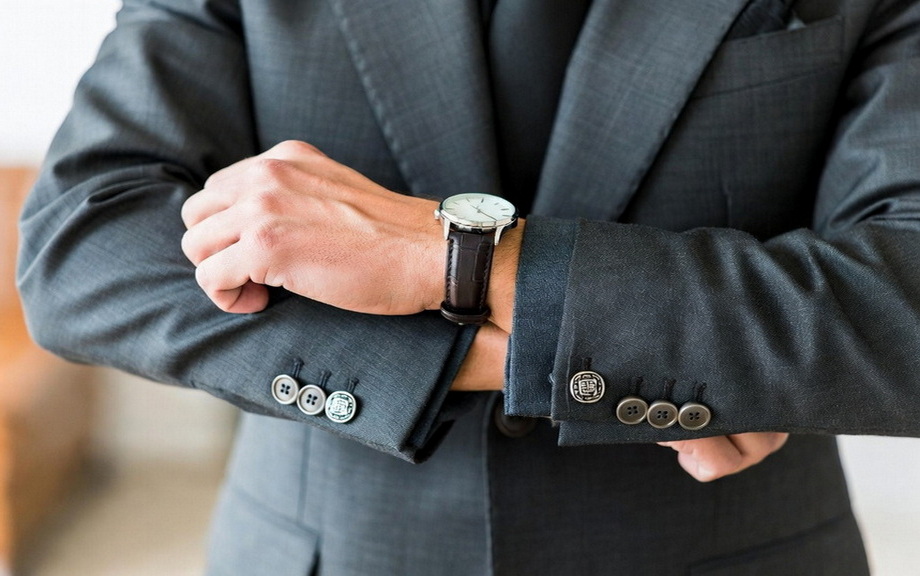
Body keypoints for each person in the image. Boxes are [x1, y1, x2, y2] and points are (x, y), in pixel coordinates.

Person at [16, 0, 920, 573]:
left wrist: (442, 256)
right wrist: (689, 351)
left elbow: (905, 300)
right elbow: (81, 245)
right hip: (329, 550)